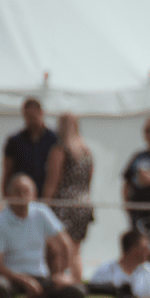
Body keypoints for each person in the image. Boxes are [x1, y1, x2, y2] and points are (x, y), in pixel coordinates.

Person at [42, 113, 94, 283]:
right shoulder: (87, 151)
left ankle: (65, 287)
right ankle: (77, 285)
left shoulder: (60, 150)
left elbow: (52, 182)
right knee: (76, 251)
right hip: (84, 203)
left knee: (60, 249)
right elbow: (88, 181)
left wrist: (43, 207)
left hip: (64, 204)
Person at [1, 97, 58, 197]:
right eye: (27, 117)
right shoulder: (14, 141)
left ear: (41, 113)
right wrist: (6, 196)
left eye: (32, 117)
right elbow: (7, 172)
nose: (30, 121)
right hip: (21, 196)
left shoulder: (54, 140)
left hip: (47, 196)